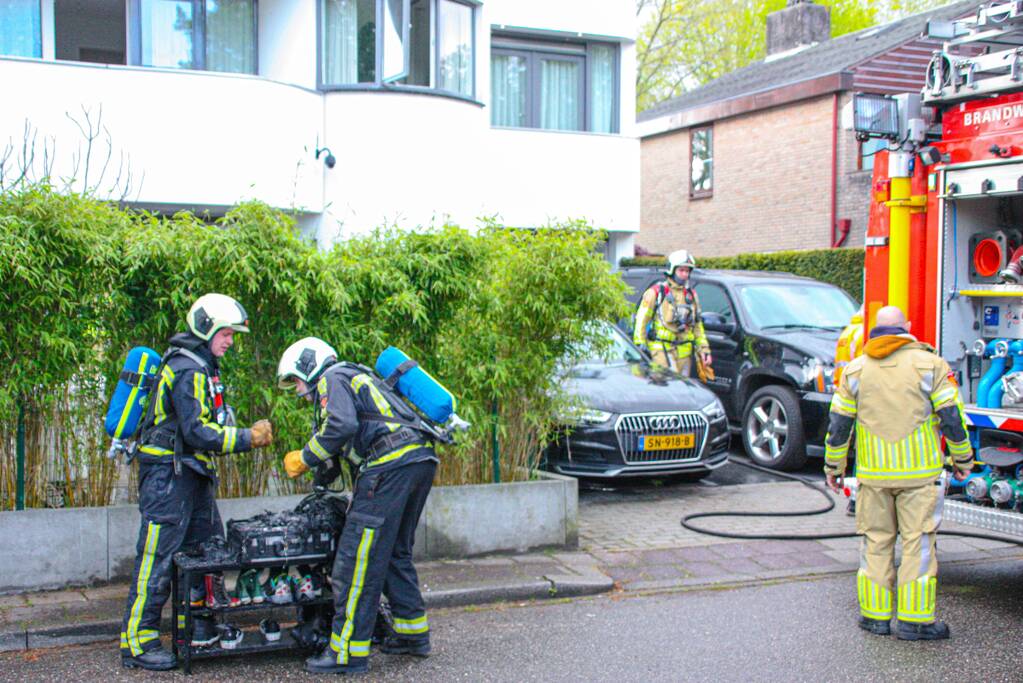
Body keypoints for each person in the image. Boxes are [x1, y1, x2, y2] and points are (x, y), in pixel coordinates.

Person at [120, 293, 274, 671]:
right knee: (155, 560)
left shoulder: (203, 365)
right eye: (226, 333)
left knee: (207, 554)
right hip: (168, 479)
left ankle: (198, 631)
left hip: (191, 476)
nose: (231, 341)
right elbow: (197, 431)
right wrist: (246, 438)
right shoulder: (189, 369)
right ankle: (137, 643)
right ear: (207, 329)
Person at [276, 337, 437, 675]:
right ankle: (412, 635)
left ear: (309, 365)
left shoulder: (331, 379)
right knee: (393, 552)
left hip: (389, 466)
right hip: (418, 460)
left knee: (355, 561)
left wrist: (303, 458)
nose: (297, 389)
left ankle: (346, 652)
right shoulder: (356, 376)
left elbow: (341, 426)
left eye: (296, 380)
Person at [824, 306, 973, 641]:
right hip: (919, 477)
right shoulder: (931, 365)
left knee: (875, 542)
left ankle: (874, 618)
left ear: (875, 330)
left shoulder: (855, 371)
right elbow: (952, 420)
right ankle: (914, 622)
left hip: (874, 478)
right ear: (907, 328)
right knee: (917, 545)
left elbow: (838, 427)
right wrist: (963, 460)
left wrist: (834, 468)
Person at [633, 249, 712, 378]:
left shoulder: (691, 295)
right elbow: (642, 318)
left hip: (684, 352)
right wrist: (640, 344)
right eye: (681, 270)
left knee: (682, 388)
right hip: (662, 349)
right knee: (666, 385)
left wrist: (704, 350)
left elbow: (697, 326)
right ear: (672, 270)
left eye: (687, 271)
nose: (685, 274)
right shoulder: (657, 292)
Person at [834, 305, 865, 515]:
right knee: (863, 452)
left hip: (844, 395)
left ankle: (854, 499)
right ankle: (856, 500)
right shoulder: (864, 333)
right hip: (861, 398)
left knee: (855, 448)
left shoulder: (848, 332)